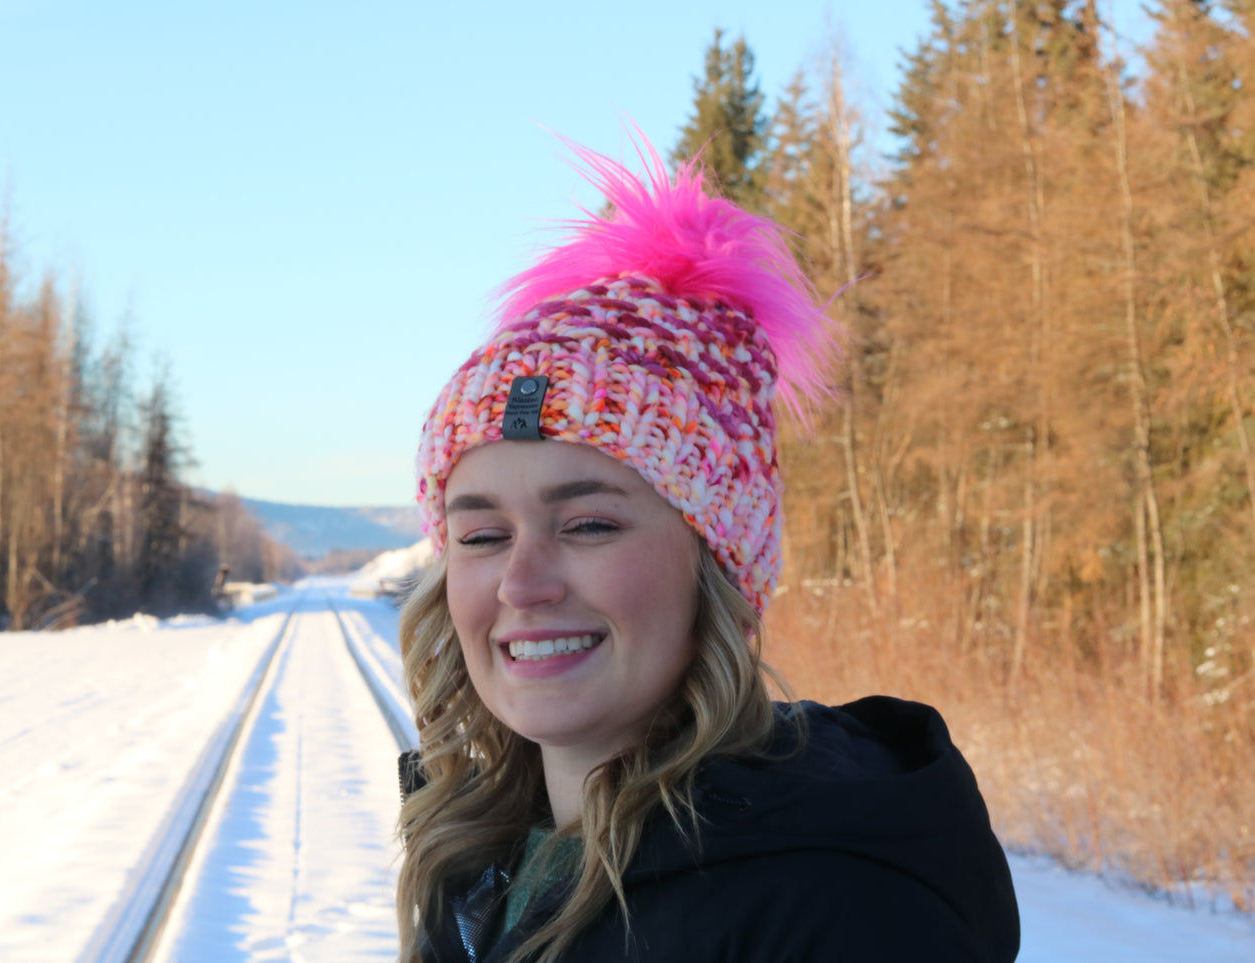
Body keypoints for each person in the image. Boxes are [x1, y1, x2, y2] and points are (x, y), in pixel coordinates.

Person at [395, 134, 1020, 963]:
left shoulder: (840, 912)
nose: (521, 581)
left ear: (716, 562)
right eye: (481, 534)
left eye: (588, 524)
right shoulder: (476, 863)